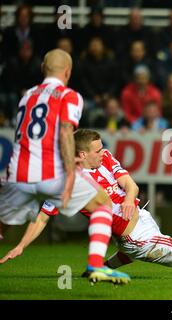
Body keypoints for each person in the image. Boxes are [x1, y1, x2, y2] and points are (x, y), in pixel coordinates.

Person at [0, 129, 172, 281]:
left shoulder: (106, 158)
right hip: (138, 239)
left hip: (140, 218)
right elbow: (42, 217)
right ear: (82, 154)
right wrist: (22, 245)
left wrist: (126, 198)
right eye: (97, 151)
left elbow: (131, 185)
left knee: (127, 251)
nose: (103, 153)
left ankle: (95, 269)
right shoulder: (68, 182)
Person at [0, 49, 130, 284]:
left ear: (42, 69)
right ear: (68, 72)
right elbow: (65, 133)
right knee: (103, 204)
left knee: (2, 224)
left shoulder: (27, 95)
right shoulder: (69, 96)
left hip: (18, 173)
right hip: (51, 173)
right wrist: (71, 170)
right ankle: (95, 266)